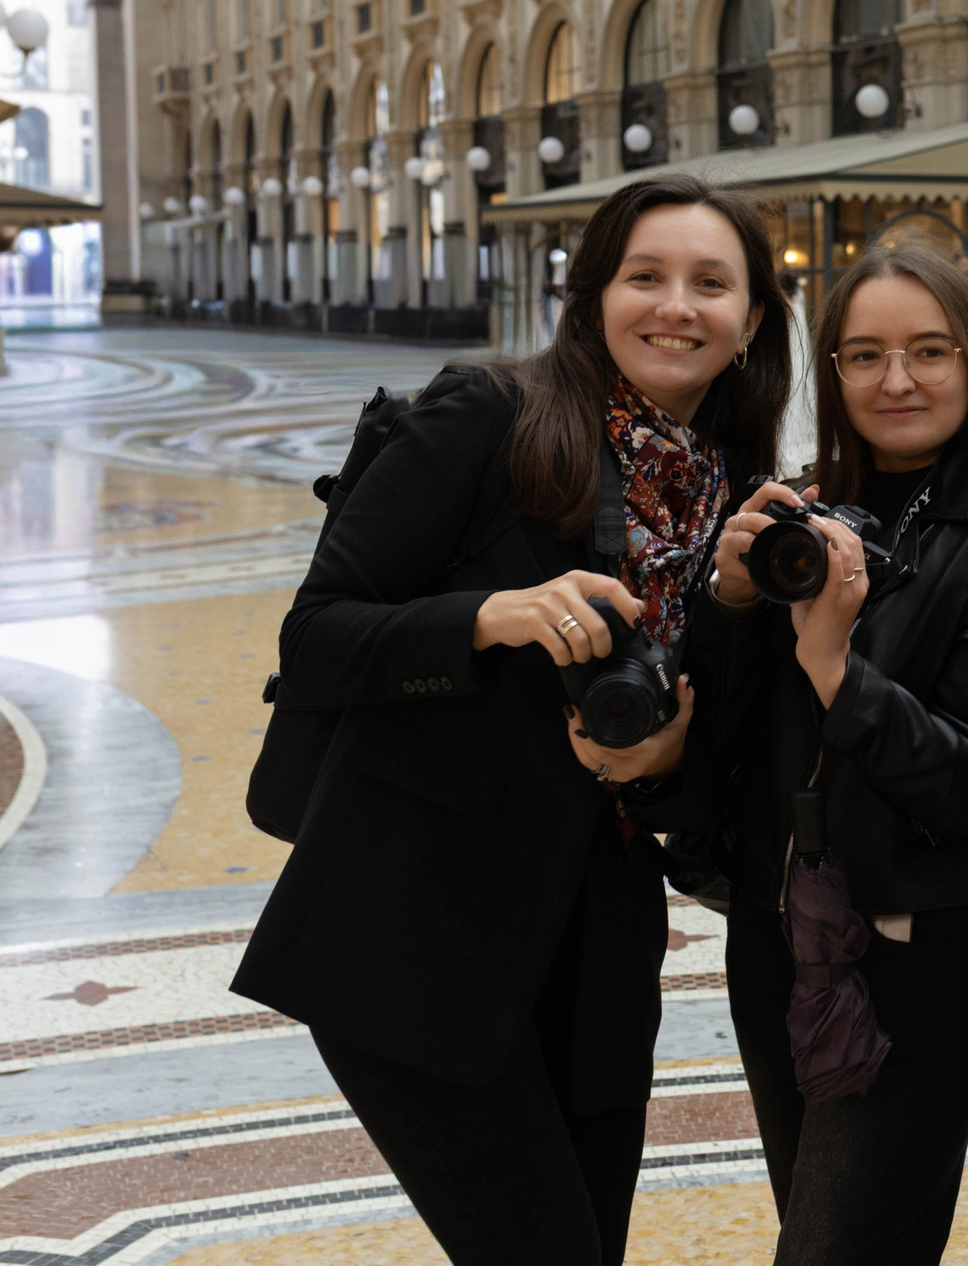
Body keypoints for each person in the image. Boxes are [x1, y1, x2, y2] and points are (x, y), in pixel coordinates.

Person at [233, 174, 790, 1266]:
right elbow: (316, 637)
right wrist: (489, 618)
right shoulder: (486, 416)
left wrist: (666, 759)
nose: (677, 305)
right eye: (646, 277)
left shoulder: (737, 503)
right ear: (590, 296)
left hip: (599, 952)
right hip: (416, 931)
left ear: (752, 322)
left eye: (710, 284)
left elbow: (711, 752)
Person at [686, 243, 968, 1265]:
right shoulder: (800, 515)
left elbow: (967, 784)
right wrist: (727, 600)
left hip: (917, 948)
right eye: (863, 355)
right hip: (780, 936)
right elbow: (721, 737)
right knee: (826, 1229)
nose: (895, 381)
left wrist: (835, 669)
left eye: (928, 351)